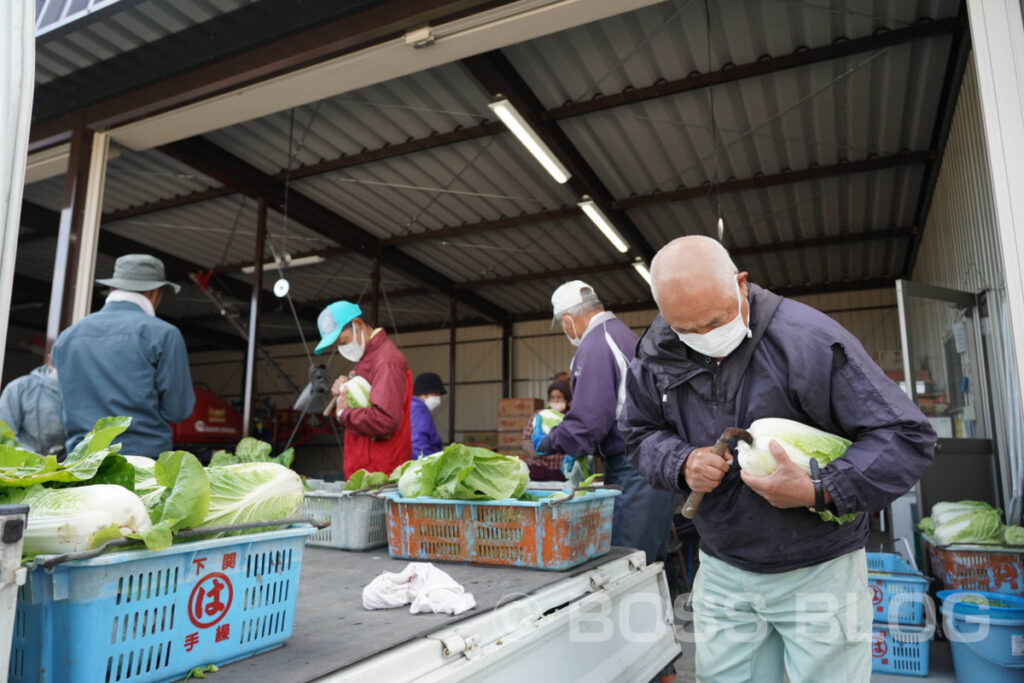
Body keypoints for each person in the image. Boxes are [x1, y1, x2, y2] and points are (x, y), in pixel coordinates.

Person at [619, 236, 937, 682]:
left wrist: (820, 488)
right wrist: (680, 461)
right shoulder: (656, 353)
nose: (704, 338)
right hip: (723, 565)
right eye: (686, 330)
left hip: (818, 569)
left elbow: (906, 435)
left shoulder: (808, 340)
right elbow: (637, 433)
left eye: (716, 320)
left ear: (741, 283)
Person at [532, 280, 675, 564]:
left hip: (634, 469)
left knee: (629, 561)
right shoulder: (622, 335)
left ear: (569, 319)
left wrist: (550, 441)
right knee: (651, 560)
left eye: (562, 324)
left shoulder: (596, 344)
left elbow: (589, 420)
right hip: (653, 465)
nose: (565, 330)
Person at [52, 254, 195, 456]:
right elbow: (177, 411)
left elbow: (63, 408)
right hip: (141, 460)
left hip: (81, 461)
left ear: (112, 288)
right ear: (154, 293)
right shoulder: (164, 334)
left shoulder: (67, 337)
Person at [315, 301, 412, 477]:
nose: (342, 349)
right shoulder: (367, 359)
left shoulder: (386, 361)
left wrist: (344, 414)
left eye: (343, 341)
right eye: (337, 346)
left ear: (358, 324)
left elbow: (386, 419)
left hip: (381, 474)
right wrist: (346, 390)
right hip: (368, 471)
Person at [0, 354, 65, 454]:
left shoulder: (87, 393)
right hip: (23, 464)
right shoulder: (19, 388)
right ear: (49, 359)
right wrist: (36, 461)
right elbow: (4, 435)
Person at [520, 378, 572, 481]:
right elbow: (525, 441)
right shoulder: (539, 415)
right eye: (552, 397)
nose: (555, 401)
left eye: (559, 397)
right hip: (538, 471)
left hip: (562, 474)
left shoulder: (570, 419)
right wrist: (540, 452)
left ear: (566, 399)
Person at [411, 371, 445, 458]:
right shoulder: (418, 411)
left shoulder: (412, 408)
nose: (438, 398)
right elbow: (418, 443)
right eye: (436, 394)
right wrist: (428, 464)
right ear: (424, 393)